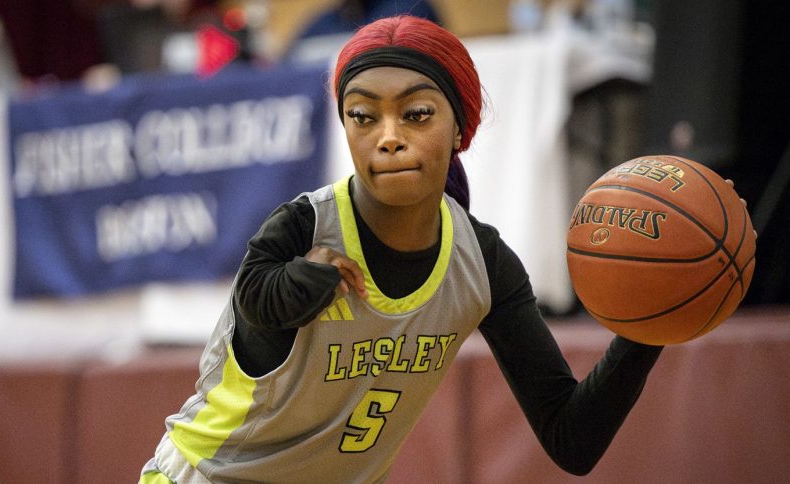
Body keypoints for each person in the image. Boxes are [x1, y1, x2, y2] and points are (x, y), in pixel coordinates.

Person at [140, 15, 663, 483]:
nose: (387, 137)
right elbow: (258, 298)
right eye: (363, 116)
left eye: (415, 114)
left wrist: (650, 326)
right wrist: (303, 282)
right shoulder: (304, 227)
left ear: (460, 126)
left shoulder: (481, 261)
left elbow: (572, 441)